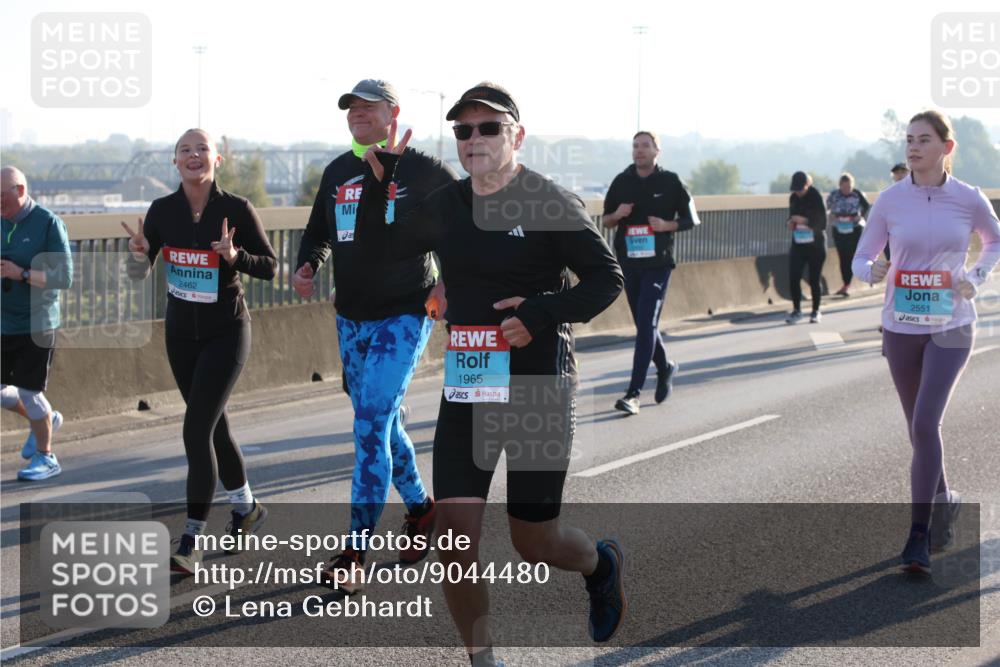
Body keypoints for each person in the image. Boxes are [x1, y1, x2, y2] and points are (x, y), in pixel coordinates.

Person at [356, 83, 626, 665]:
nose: (473, 139)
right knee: (455, 541)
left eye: (488, 128)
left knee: (536, 541)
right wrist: (381, 191)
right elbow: (383, 246)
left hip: (537, 386)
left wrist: (540, 312)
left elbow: (608, 280)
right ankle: (484, 661)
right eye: (463, 130)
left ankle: (600, 564)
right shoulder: (448, 205)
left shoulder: (550, 202)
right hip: (471, 383)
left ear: (517, 137)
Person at [293, 79, 457, 589]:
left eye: (369, 106)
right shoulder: (339, 171)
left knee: (369, 423)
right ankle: (423, 510)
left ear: (393, 113)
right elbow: (320, 231)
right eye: (352, 108)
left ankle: (353, 552)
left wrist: (448, 281)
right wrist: (306, 266)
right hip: (351, 318)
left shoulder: (422, 170)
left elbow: (462, 225)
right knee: (379, 424)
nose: (358, 113)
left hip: (404, 315)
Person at [851, 110, 1000, 574]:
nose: (913, 148)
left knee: (925, 422)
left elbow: (995, 241)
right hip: (901, 325)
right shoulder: (890, 201)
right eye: (909, 140)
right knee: (918, 427)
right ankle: (945, 501)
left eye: (924, 140)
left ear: (946, 148)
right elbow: (862, 255)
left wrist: (976, 275)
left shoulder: (969, 199)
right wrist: (869, 271)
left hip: (952, 324)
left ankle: (918, 535)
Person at [125, 128, 277, 574]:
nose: (194, 156)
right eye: (185, 151)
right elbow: (139, 273)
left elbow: (270, 267)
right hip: (180, 335)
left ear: (218, 159)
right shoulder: (162, 211)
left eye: (202, 150)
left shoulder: (236, 209)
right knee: (213, 427)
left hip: (227, 332)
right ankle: (246, 507)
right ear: (175, 162)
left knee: (196, 430)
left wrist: (235, 258)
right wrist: (137, 254)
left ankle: (192, 537)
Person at [603, 131, 699, 416]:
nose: (639, 150)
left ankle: (633, 393)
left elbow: (691, 219)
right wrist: (618, 214)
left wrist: (666, 226)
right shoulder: (622, 181)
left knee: (646, 323)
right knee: (645, 325)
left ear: (657, 151)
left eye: (645, 145)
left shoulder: (670, 182)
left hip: (658, 264)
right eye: (635, 146)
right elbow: (606, 221)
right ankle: (666, 366)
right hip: (630, 264)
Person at [1, 166, 72, 481]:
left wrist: (23, 274)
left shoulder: (48, 223)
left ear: (19, 191)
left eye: (1, 197)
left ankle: (46, 457)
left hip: (37, 322)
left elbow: (64, 277)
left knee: (30, 392)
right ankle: (43, 418)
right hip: (4, 321)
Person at [785, 171, 828, 324]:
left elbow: (822, 223)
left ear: (807, 185)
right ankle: (797, 310)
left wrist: (805, 220)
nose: (798, 192)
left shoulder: (816, 197)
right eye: (796, 189)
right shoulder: (793, 198)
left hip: (816, 245)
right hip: (799, 244)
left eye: (801, 189)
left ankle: (815, 311)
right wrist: (790, 223)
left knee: (814, 278)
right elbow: (790, 217)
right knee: (793, 277)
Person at [826, 172, 871, 298]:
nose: (846, 189)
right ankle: (845, 283)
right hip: (839, 227)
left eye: (849, 187)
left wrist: (860, 215)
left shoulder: (857, 194)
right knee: (842, 256)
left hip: (854, 228)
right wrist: (832, 214)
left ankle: (847, 284)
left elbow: (866, 206)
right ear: (840, 185)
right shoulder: (834, 195)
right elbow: (827, 206)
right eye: (844, 187)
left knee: (851, 255)